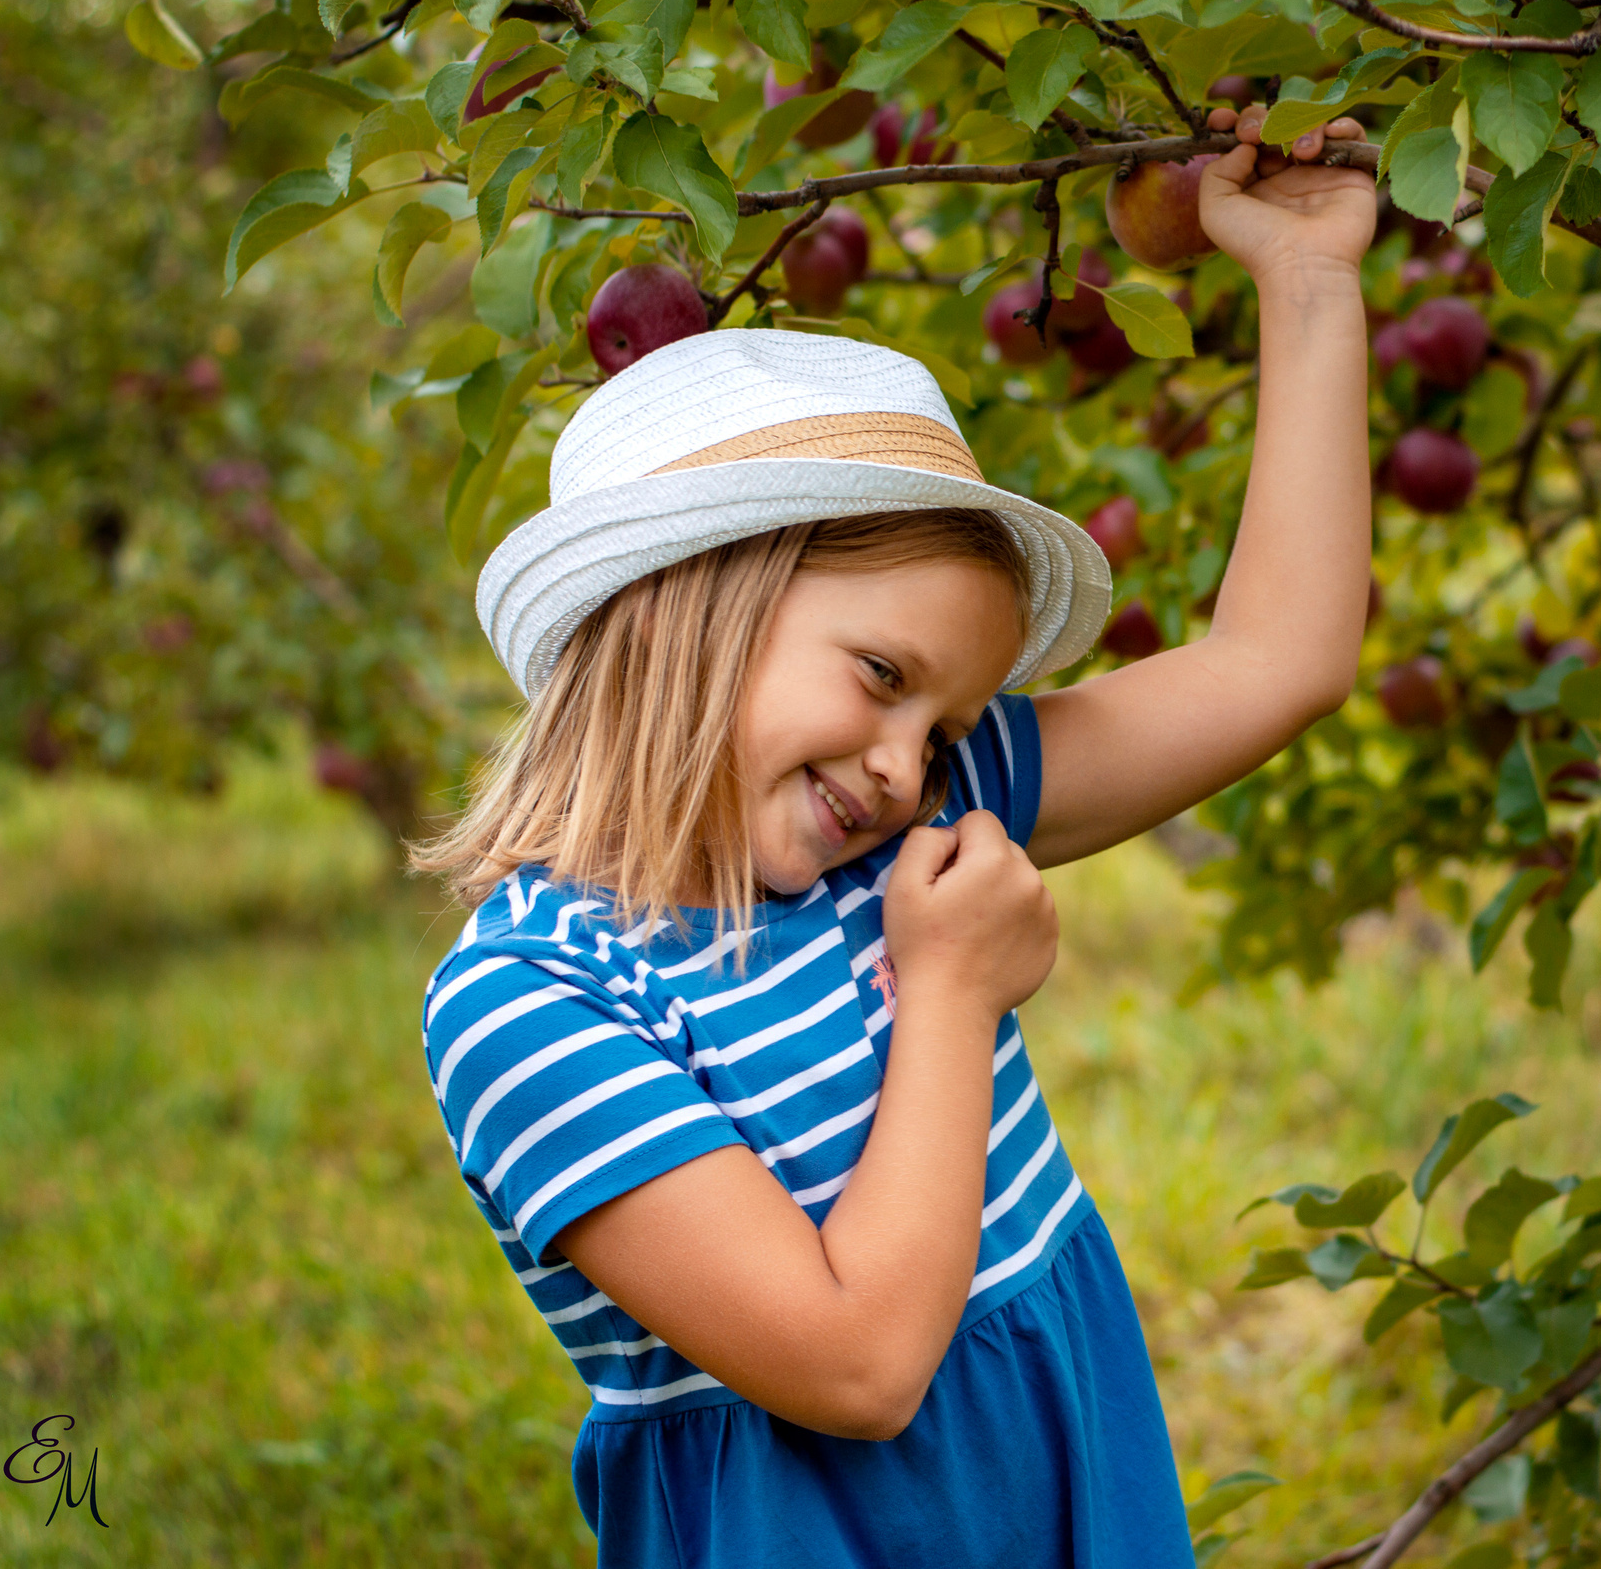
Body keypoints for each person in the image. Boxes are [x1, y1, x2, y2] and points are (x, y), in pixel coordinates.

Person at [409, 102, 1376, 1567]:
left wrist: (1307, 283)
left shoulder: (903, 814)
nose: (909, 764)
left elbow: (1276, 661)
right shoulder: (531, 1008)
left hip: (1053, 1466)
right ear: (690, 602)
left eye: (945, 723)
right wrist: (951, 992)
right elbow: (857, 1370)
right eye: (881, 676)